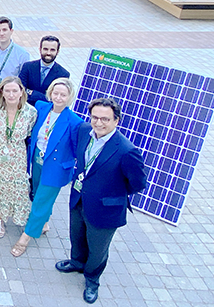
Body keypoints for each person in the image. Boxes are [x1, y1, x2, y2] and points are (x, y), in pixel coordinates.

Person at [55, 97, 146, 304]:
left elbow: (138, 183)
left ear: (116, 121)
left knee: (98, 249)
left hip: (105, 209)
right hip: (79, 198)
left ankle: (92, 280)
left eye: (105, 119)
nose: (98, 122)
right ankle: (77, 262)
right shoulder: (83, 131)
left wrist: (112, 193)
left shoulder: (126, 150)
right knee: (76, 235)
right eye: (95, 117)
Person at [11, 78, 82, 257]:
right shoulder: (42, 107)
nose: (58, 97)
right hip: (37, 159)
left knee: (42, 201)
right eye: (56, 93)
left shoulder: (75, 122)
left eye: (63, 95)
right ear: (50, 93)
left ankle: (26, 237)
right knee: (36, 193)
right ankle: (43, 223)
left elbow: (76, 149)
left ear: (69, 97)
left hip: (56, 167)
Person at [0, 76, 37, 238]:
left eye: (14, 91)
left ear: (21, 92)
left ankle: (1, 218)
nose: (11, 95)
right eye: (7, 91)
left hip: (16, 157)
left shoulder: (30, 112)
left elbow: (29, 132)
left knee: (9, 189)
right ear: (1, 92)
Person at [19, 35, 70, 106]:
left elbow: (56, 99)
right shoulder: (28, 67)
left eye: (52, 50)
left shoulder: (63, 74)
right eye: (45, 49)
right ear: (40, 49)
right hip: (25, 107)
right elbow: (20, 90)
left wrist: (32, 93)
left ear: (57, 52)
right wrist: (45, 96)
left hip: (46, 111)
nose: (48, 53)